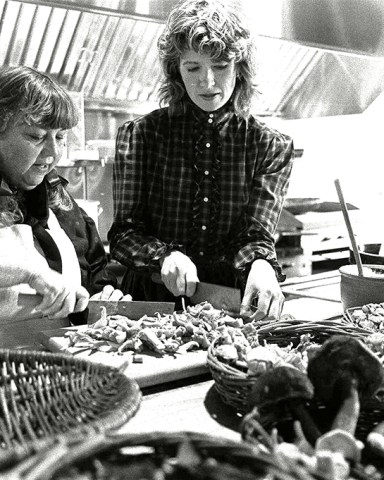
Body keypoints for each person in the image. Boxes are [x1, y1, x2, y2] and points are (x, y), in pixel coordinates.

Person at [108, 0, 295, 321]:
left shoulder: (269, 145)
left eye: (220, 66)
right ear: (176, 71)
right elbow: (123, 234)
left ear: (240, 67)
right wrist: (164, 256)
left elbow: (256, 234)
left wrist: (262, 264)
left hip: (230, 306)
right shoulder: (141, 135)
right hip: (152, 306)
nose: (207, 82)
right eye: (193, 67)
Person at [0, 65, 125, 324]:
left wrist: (102, 298)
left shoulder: (60, 203)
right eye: (36, 136)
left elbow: (94, 272)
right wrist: (30, 272)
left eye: (60, 137)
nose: (52, 152)